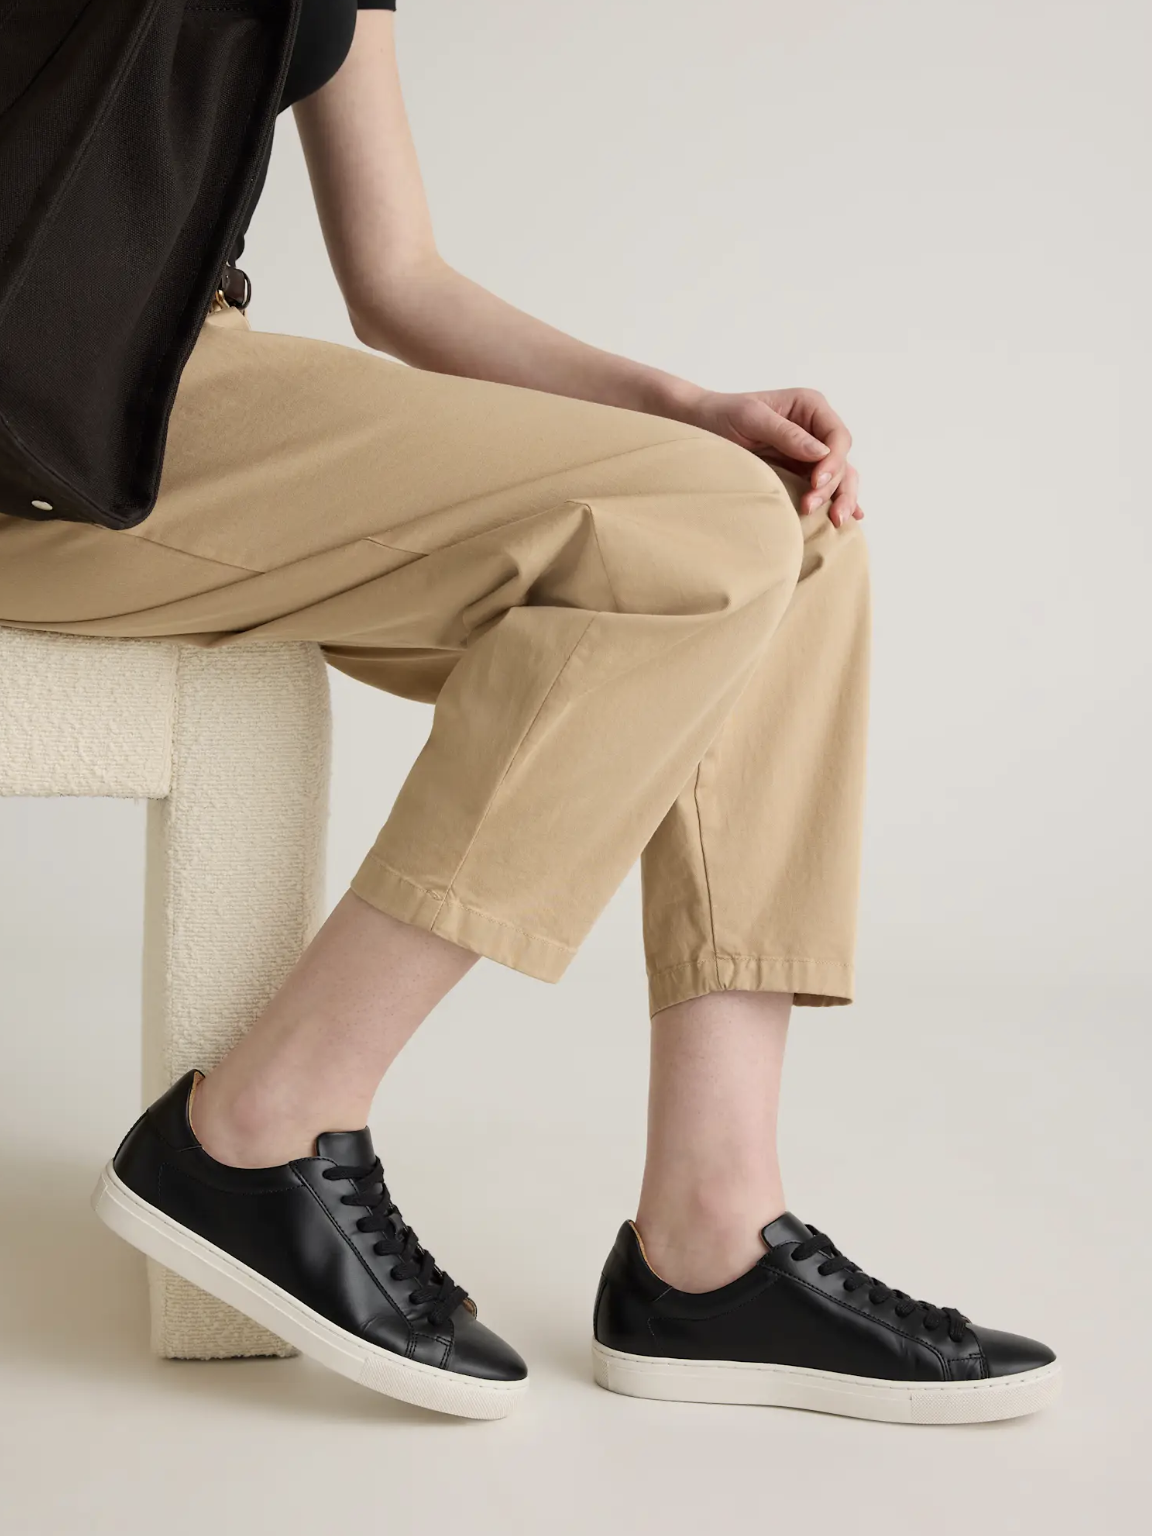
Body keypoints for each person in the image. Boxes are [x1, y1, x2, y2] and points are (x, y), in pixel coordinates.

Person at [0, 3, 1058, 1424]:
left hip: (185, 381)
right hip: (43, 431)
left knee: (788, 528)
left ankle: (712, 1244)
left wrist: (686, 408)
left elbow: (402, 279)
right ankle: (265, 1118)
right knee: (703, 538)